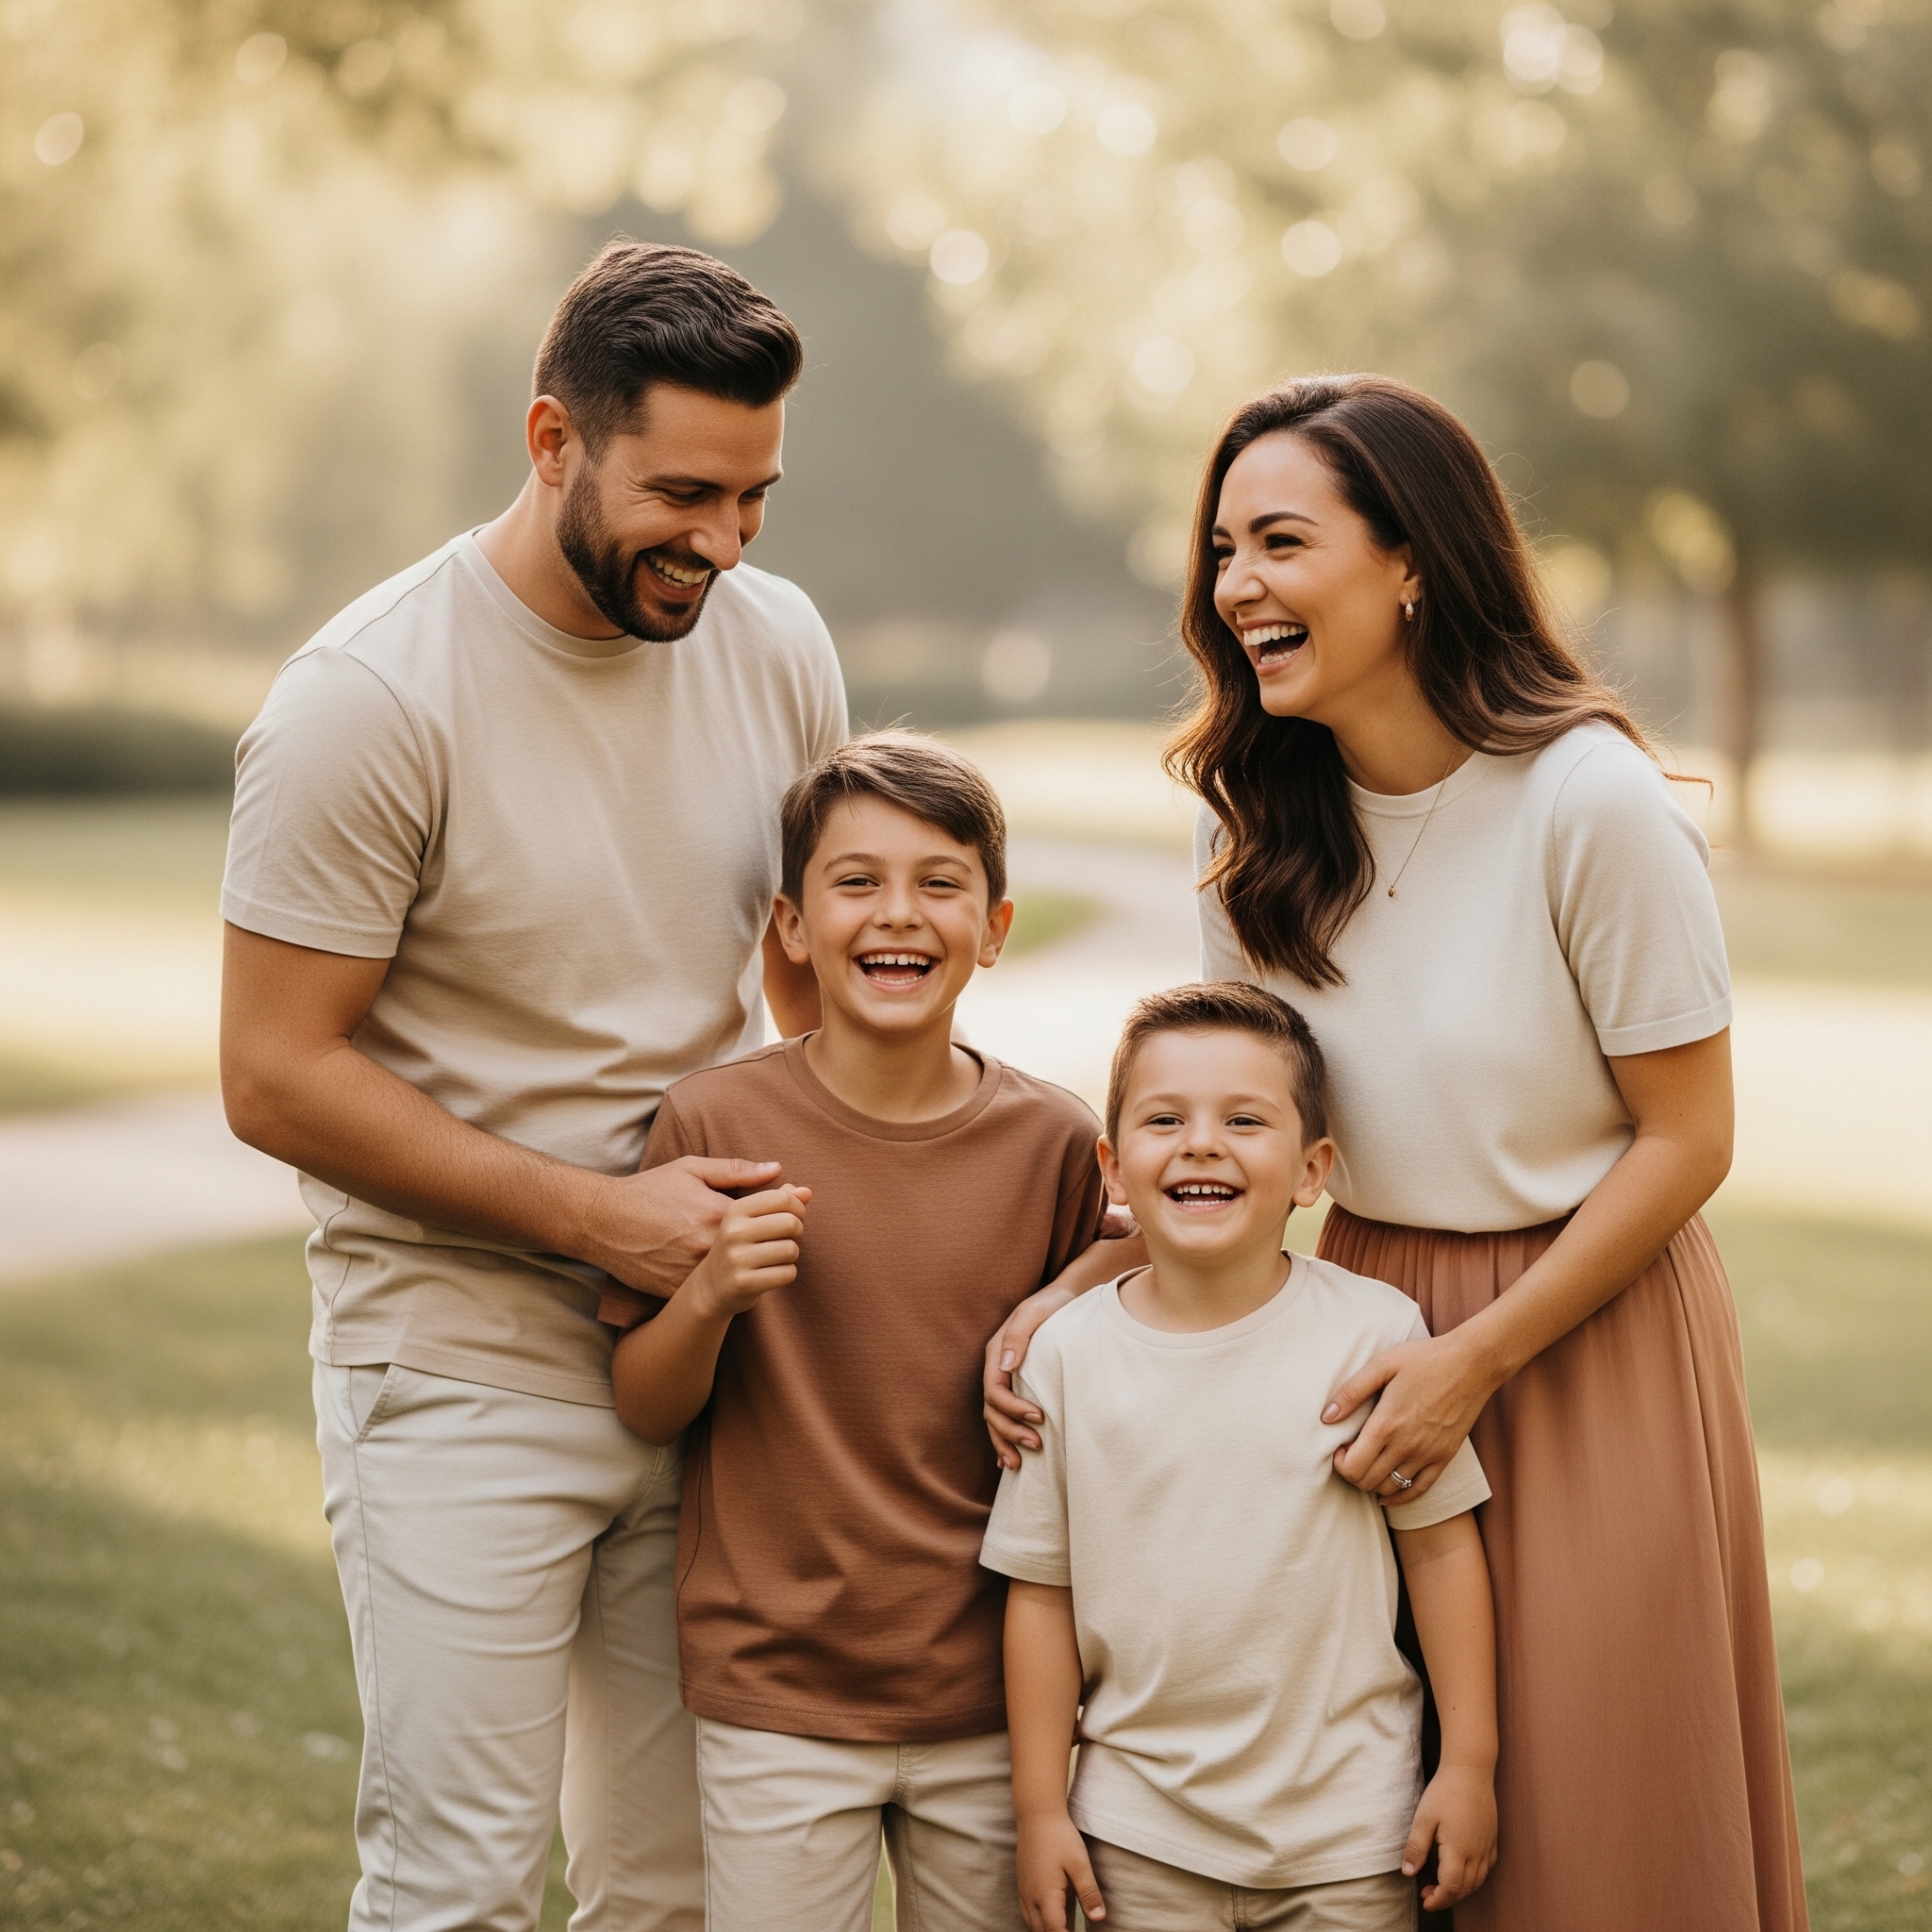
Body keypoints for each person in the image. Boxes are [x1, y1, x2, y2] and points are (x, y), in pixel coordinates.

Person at [219, 242, 847, 1932]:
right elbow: (274, 1076)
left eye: (755, 498)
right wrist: (602, 1219)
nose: (724, 545)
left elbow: (800, 977)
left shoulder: (777, 641)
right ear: (552, 439)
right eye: (683, 495)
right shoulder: (367, 701)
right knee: (461, 1892)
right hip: (455, 1364)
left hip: (709, 1360)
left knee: (675, 1890)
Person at [1161, 375, 1801, 1930]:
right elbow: (1228, 1135)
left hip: (1591, 1334)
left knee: (1594, 1807)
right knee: (1386, 1812)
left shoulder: (1590, 803)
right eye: (1224, 548)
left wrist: (1478, 1357)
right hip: (1366, 1331)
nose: (1237, 585)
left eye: (1281, 541)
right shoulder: (1246, 826)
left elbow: (1689, 1138)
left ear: (1410, 562)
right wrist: (1074, 1295)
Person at [600, 733, 1125, 1932]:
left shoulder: (1052, 1139)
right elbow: (643, 1402)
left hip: (996, 1694)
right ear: (791, 925)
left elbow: (1153, 1268)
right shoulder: (712, 1120)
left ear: (994, 926)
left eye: (939, 883)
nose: (898, 913)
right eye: (856, 881)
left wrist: (1073, 1283)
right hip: (775, 1695)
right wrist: (709, 1294)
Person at [986, 982, 1498, 1932]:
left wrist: (1467, 1764)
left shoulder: (1375, 1335)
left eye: (1244, 1119)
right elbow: (1041, 1595)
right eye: (1164, 1118)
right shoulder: (1067, 1356)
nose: (1201, 1144)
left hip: (1349, 1834)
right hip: (1138, 1834)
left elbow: (1439, 1550)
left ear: (1311, 1170)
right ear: (1112, 1167)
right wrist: (1040, 1808)